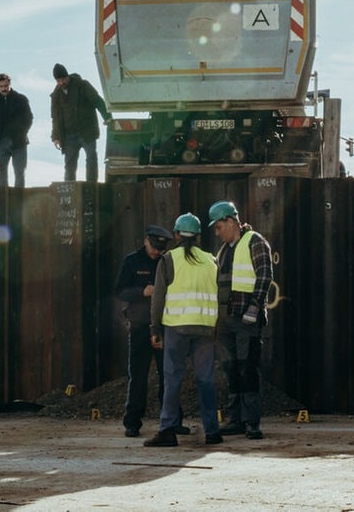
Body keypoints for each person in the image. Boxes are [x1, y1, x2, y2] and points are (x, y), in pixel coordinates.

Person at [144, 212, 222, 448]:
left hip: (176, 328)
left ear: (177, 234)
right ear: (199, 235)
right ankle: (212, 431)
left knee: (172, 378)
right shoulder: (211, 260)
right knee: (206, 380)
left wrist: (154, 328)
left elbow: (158, 297)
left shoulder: (169, 259)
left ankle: (168, 429)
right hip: (205, 329)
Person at [113, 223, 186, 438]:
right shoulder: (131, 262)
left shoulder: (167, 261)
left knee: (169, 375)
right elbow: (119, 291)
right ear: (145, 241)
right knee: (138, 376)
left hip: (165, 326)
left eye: (161, 249)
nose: (157, 252)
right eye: (154, 247)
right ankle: (132, 422)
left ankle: (173, 421)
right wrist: (141, 291)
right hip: (140, 327)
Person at [208, 200, 273, 440]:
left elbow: (265, 274)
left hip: (246, 320)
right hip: (226, 320)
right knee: (231, 368)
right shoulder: (224, 250)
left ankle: (251, 422)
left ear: (231, 221)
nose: (217, 233)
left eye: (218, 227)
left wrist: (255, 307)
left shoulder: (254, 241)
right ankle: (235, 419)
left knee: (248, 368)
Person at [49, 62, 111, 183]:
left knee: (91, 158)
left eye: (62, 79)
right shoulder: (56, 95)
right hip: (69, 136)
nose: (61, 83)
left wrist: (107, 117)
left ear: (67, 76)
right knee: (69, 165)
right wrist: (55, 136)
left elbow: (98, 101)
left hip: (86, 131)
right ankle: (69, 189)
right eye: (58, 81)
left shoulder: (82, 85)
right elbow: (55, 118)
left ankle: (92, 185)